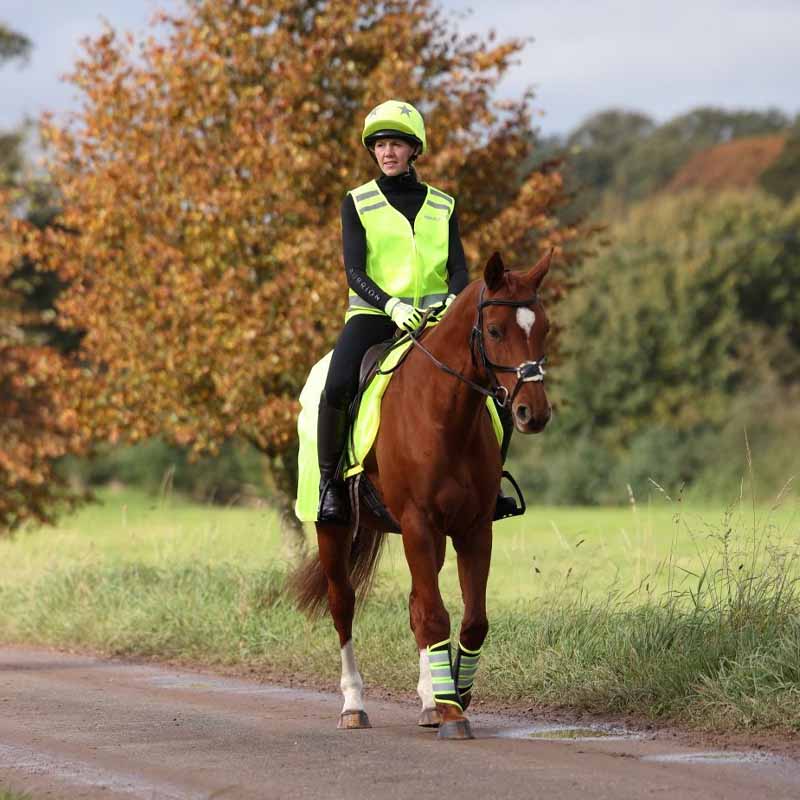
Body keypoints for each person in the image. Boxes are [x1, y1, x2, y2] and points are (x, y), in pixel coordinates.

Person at [317, 100, 514, 524]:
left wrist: (453, 301)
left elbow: (458, 268)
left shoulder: (443, 204)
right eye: (380, 145)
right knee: (336, 386)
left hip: (439, 319)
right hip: (375, 315)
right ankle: (329, 485)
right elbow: (354, 272)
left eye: (396, 144)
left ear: (414, 150)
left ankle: (492, 483)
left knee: (497, 388)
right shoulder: (357, 202)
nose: (387, 152)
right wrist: (391, 305)